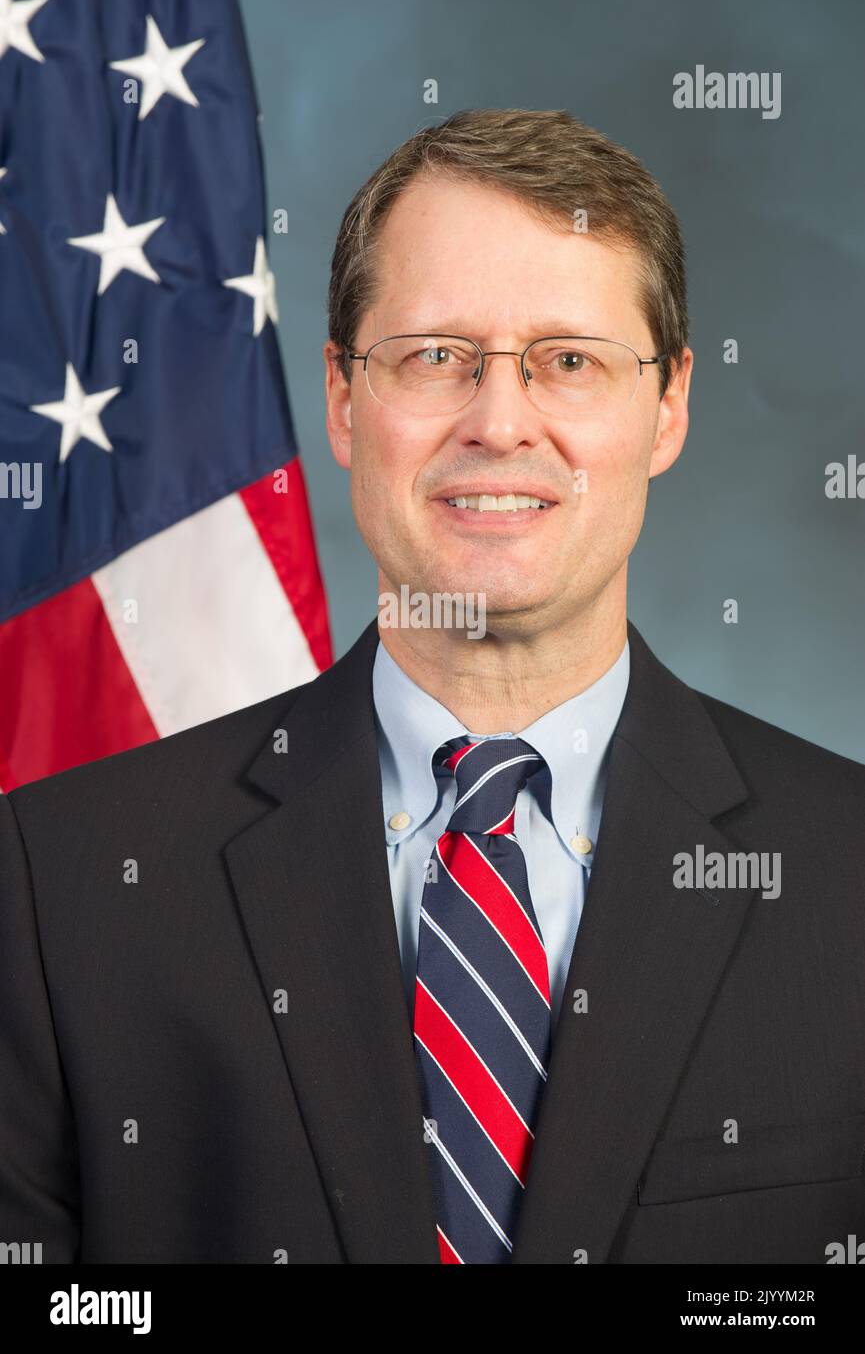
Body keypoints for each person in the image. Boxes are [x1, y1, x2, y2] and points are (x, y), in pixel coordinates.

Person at [1, 109, 863, 1265]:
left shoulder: (844, 871)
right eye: (433, 356)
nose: (499, 423)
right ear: (346, 401)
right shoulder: (60, 881)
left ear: (667, 407)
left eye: (568, 360)